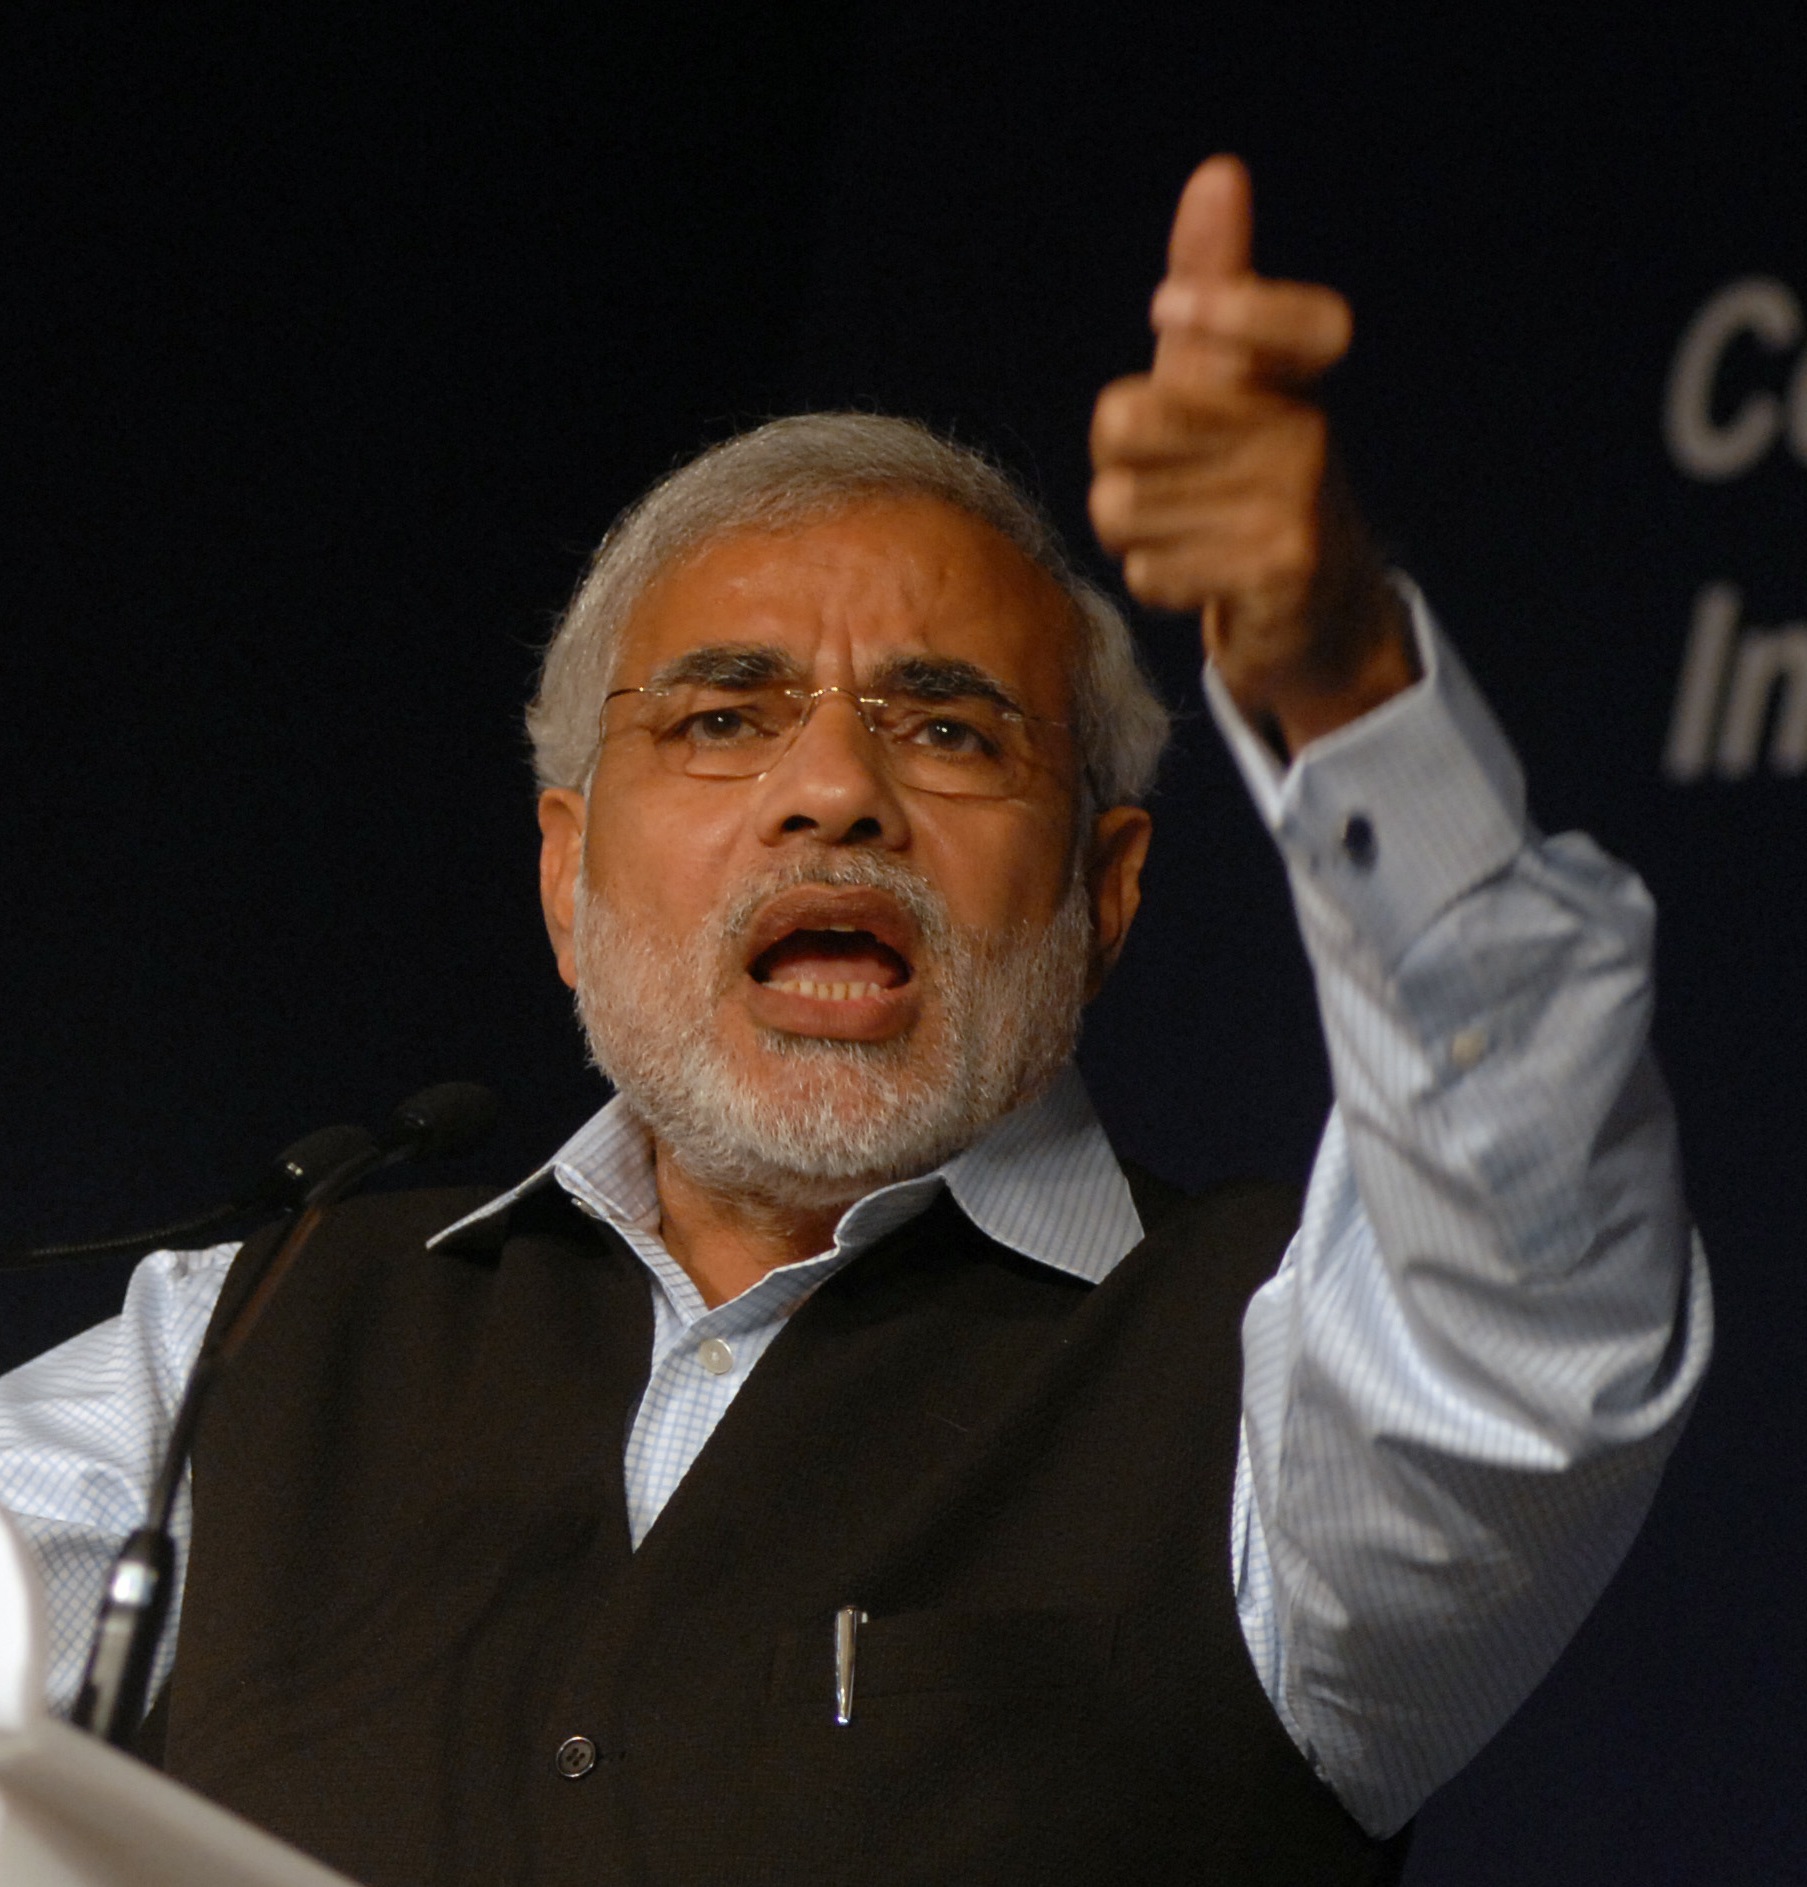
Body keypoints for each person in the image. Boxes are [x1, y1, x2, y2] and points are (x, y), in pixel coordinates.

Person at [0, 158, 1708, 1885]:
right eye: (724, 718)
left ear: (1105, 894)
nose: (833, 788)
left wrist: (1343, 683)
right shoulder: (235, 1353)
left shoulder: (1268, 1391)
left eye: (952, 733)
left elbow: (1530, 1307)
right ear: (565, 875)